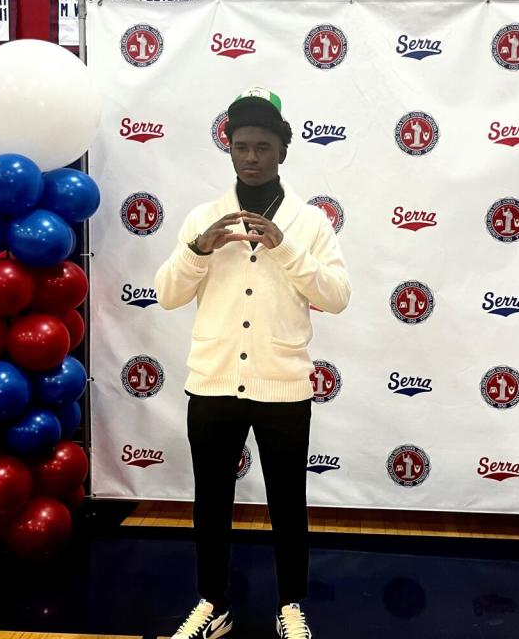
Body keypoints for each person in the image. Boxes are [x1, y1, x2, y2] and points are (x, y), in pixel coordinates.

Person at [154, 88, 351, 639]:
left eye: (264, 146)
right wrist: (198, 250)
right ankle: (212, 604)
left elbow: (337, 296)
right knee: (210, 502)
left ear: (283, 151)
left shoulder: (309, 222)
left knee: (288, 502)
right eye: (241, 146)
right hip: (212, 382)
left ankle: (291, 606)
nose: (252, 157)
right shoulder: (204, 217)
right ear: (230, 149)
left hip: (284, 385)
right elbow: (166, 294)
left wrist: (287, 248)